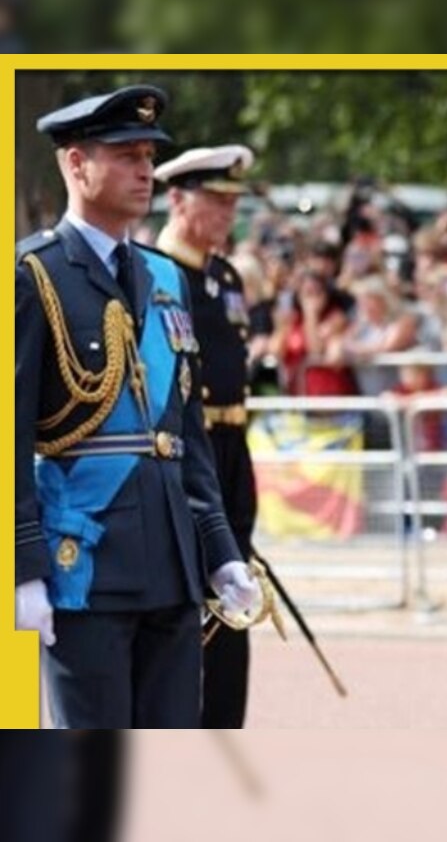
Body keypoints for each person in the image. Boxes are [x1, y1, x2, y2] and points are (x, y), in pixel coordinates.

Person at [15, 86, 261, 727]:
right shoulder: (33, 275)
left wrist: (221, 548)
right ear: (75, 164)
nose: (144, 169)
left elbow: (183, 432)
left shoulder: (165, 277)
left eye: (148, 154)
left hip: (173, 563)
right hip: (85, 560)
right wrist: (22, 566)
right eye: (125, 153)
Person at [153, 143, 259, 728]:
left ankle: (225, 724)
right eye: (216, 201)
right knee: (184, 603)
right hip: (187, 454)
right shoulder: (156, 272)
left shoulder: (224, 275)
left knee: (236, 597)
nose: (227, 214)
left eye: (232, 203)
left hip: (232, 448)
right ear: (177, 200)